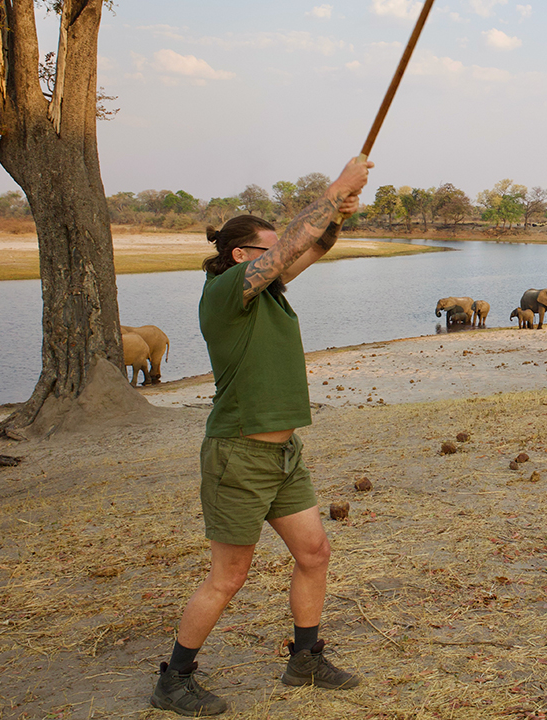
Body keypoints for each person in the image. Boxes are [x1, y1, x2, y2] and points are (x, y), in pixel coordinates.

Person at [150, 156, 373, 716]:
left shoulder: (267, 290)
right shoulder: (227, 291)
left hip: (283, 455)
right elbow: (291, 244)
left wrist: (338, 216)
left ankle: (306, 661)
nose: (282, 257)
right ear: (240, 256)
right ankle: (173, 680)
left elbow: (310, 246)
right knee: (228, 577)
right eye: (269, 250)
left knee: (315, 553)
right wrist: (334, 190)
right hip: (239, 451)